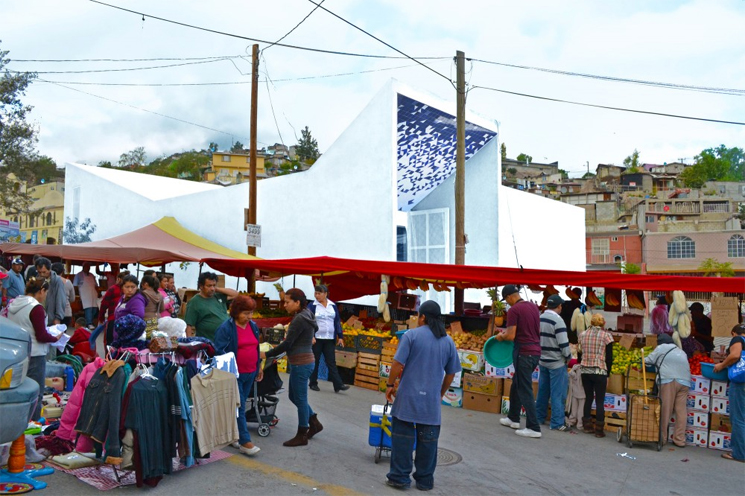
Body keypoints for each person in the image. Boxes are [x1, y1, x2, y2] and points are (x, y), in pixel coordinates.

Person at [384, 300, 461, 491]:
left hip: (408, 399)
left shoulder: (411, 336)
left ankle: (400, 478)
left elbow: (396, 364)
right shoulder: (448, 341)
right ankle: (425, 481)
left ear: (423, 317)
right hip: (430, 404)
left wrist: (389, 384)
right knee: (428, 444)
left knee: (402, 440)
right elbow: (451, 373)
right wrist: (440, 393)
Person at [261, 288, 319, 447]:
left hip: (301, 363)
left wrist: (267, 354)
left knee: (300, 399)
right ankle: (314, 421)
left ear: (297, 302)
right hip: (304, 361)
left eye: (287, 302)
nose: (284, 305)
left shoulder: (299, 319)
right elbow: (316, 329)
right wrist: (309, 337)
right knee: (294, 397)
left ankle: (302, 434)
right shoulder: (308, 314)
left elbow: (287, 344)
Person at [7, 277, 63, 420]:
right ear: (41, 291)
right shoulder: (36, 308)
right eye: (45, 293)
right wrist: (55, 338)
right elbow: (41, 335)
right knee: (35, 392)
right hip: (35, 354)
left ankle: (17, 421)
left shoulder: (14, 304)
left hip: (18, 354)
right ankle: (34, 423)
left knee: (18, 390)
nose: (45, 296)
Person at [214, 295, 263, 457]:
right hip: (234, 374)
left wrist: (259, 367)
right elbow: (219, 351)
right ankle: (244, 441)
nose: (249, 317)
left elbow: (256, 348)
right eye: (246, 313)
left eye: (251, 313)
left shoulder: (253, 326)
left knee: (238, 405)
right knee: (240, 405)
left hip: (250, 372)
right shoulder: (226, 329)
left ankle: (233, 435)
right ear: (236, 312)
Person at [496, 284, 542, 438]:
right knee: (517, 383)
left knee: (524, 389)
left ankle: (533, 427)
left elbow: (510, 336)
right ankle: (513, 418)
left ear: (509, 297)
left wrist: (500, 336)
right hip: (535, 352)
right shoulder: (533, 307)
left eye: (506, 300)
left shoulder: (514, 310)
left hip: (523, 352)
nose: (507, 303)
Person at [645, 333, 690, 448]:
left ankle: (662, 438)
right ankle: (679, 439)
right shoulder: (681, 351)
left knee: (665, 409)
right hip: (685, 382)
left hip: (669, 380)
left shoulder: (661, 348)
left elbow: (647, 360)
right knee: (681, 410)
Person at [535, 294, 572, 431]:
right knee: (557, 394)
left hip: (542, 360)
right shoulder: (558, 321)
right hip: (556, 362)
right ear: (559, 306)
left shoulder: (539, 318)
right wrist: (568, 357)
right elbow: (563, 343)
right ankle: (557, 423)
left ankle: (538, 417)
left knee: (542, 391)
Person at [308, 284, 349, 393]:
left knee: (331, 362)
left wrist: (340, 336)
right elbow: (308, 322)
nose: (317, 296)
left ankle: (338, 384)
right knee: (315, 361)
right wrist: (311, 335)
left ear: (325, 294)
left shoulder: (332, 305)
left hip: (329, 338)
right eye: (315, 293)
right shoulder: (312, 306)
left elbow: (337, 322)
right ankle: (313, 383)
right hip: (317, 338)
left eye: (319, 293)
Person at [578, 313, 614, 438]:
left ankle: (587, 425)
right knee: (600, 400)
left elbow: (579, 354)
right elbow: (609, 358)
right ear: (603, 323)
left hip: (585, 371)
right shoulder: (606, 336)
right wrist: (608, 374)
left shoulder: (582, 335)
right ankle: (599, 430)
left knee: (588, 398)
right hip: (600, 371)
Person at [713, 323, 744, 462]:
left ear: (733, 333)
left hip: (740, 383)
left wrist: (722, 365)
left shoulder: (738, 339)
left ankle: (739, 453)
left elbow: (735, 355)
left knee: (738, 418)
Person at [184, 272, 239, 342]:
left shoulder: (218, 296)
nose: (212, 288)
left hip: (226, 340)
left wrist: (217, 289)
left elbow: (235, 294)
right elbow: (188, 325)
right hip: (209, 342)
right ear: (201, 286)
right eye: (209, 286)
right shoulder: (195, 302)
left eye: (214, 285)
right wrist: (189, 344)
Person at [98, 271, 127, 346]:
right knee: (122, 344)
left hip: (113, 319)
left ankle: (109, 357)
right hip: (126, 320)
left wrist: (101, 317)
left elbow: (104, 304)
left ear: (118, 279)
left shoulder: (113, 289)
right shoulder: (132, 292)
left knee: (110, 343)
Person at [35, 257, 66, 325]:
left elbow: (60, 300)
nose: (42, 274)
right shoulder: (37, 280)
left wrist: (58, 317)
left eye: (44, 272)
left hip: (51, 318)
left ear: (49, 269)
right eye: (39, 272)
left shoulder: (57, 281)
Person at [51, 262, 74, 327]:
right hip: (66, 312)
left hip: (53, 312)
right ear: (62, 271)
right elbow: (72, 299)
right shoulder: (68, 282)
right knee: (63, 334)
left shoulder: (49, 282)